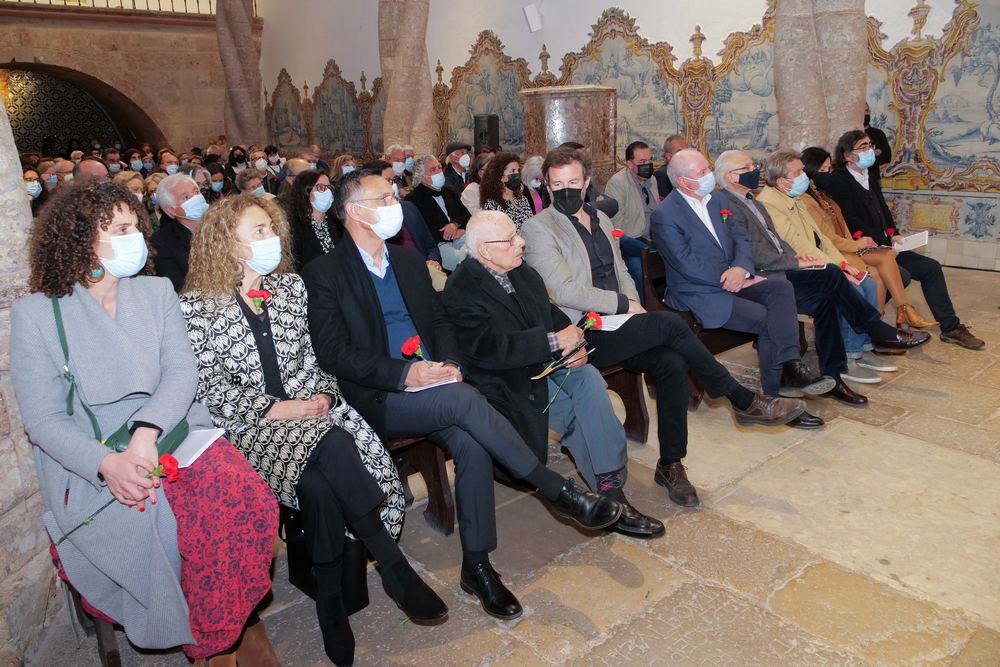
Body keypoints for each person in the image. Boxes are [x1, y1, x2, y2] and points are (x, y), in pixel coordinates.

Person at [301, 171, 624, 622]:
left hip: (439, 383)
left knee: (471, 442)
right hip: (381, 395)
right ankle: (556, 490)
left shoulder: (408, 262)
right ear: (355, 211)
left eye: (394, 195)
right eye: (385, 197)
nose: (396, 202)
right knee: (469, 401)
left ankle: (477, 566)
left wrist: (449, 363)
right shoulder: (324, 273)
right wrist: (407, 373)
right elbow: (335, 354)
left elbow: (442, 323)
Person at [9, 180, 278, 665]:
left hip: (169, 427)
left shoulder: (155, 292)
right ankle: (218, 643)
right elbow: (44, 419)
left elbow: (180, 372)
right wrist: (108, 464)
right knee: (170, 524)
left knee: (242, 499)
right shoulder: (37, 316)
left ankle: (220, 634)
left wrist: (145, 435)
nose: (138, 237)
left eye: (136, 225)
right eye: (122, 228)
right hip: (93, 456)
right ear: (82, 238)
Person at [180, 195, 446, 665]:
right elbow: (209, 389)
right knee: (333, 442)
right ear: (227, 243)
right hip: (248, 429)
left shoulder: (290, 290)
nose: (273, 238)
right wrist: (281, 410)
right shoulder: (195, 308)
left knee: (321, 482)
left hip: (312, 414)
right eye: (259, 230)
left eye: (272, 228)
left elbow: (314, 359)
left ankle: (330, 605)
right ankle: (393, 564)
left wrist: (320, 397)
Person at [521, 147, 806, 506]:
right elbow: (564, 289)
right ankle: (741, 399)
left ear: (587, 183)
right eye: (557, 183)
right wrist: (625, 304)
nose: (565, 190)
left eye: (573, 182)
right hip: (583, 331)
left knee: (671, 362)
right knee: (671, 324)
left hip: (621, 321)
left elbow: (620, 270)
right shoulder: (537, 228)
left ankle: (671, 464)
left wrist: (632, 305)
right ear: (546, 185)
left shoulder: (601, 219)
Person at [445, 211, 664, 537]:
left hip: (543, 369)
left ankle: (611, 493)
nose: (521, 242)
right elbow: (487, 348)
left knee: (588, 377)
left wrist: (572, 343)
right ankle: (611, 497)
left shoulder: (521, 272)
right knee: (578, 417)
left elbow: (553, 315)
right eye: (511, 239)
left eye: (517, 234)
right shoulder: (462, 287)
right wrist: (552, 340)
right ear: (486, 250)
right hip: (507, 386)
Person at [714, 149, 928, 399]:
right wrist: (795, 262)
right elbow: (751, 251)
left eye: (754, 165)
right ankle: (875, 329)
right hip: (766, 277)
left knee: (829, 292)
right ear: (730, 177)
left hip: (781, 268)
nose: (755, 171)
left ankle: (834, 376)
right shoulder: (726, 204)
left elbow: (781, 242)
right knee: (831, 277)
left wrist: (796, 256)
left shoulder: (754, 201)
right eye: (748, 168)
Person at [652, 149, 837, 401]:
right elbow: (686, 264)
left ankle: (791, 367)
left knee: (780, 288)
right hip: (699, 291)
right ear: (684, 181)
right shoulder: (665, 215)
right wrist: (731, 276)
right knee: (765, 317)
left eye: (708, 169)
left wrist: (741, 269)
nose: (710, 176)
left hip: (735, 277)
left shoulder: (717, 200)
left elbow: (740, 238)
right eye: (703, 172)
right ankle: (775, 393)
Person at [825, 130, 985, 350]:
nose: (870, 150)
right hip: (865, 249)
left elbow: (881, 208)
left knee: (931, 268)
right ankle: (878, 328)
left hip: (886, 244)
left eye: (870, 145)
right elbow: (850, 218)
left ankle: (951, 328)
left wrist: (894, 233)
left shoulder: (869, 175)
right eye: (863, 147)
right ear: (848, 156)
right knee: (903, 275)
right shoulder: (839, 180)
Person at [800, 146, 938, 331]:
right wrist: (856, 244)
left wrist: (861, 242)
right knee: (883, 264)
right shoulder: (806, 201)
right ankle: (895, 316)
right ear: (809, 171)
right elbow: (827, 237)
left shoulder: (823, 194)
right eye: (822, 170)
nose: (827, 174)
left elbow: (844, 227)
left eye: (829, 169)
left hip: (846, 246)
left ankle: (880, 324)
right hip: (835, 251)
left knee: (882, 270)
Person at [365, 160, 445, 277]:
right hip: (399, 274)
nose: (392, 185)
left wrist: (434, 261)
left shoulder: (408, 208)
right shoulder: (369, 218)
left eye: (394, 180)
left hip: (425, 269)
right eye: (388, 181)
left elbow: (431, 245)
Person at [604, 140, 660, 301]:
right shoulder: (618, 183)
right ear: (630, 164)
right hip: (630, 239)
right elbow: (616, 226)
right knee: (638, 266)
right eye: (642, 162)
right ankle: (643, 308)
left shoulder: (652, 180)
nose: (648, 164)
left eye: (650, 160)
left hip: (651, 238)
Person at [406, 154, 471, 270]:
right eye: (433, 170)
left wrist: (454, 224)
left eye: (439, 167)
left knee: (481, 251)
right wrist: (452, 234)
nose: (439, 171)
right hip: (437, 245)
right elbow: (422, 231)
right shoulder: (414, 199)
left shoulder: (448, 191)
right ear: (422, 178)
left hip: (460, 235)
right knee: (465, 261)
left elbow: (466, 216)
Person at [151, 173, 211, 291]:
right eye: (186, 197)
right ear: (171, 210)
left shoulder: (223, 224)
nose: (196, 198)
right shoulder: (161, 242)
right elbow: (177, 286)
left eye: (196, 192)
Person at [278, 169, 341, 271]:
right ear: (306, 191)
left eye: (329, 187)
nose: (327, 192)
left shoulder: (337, 223)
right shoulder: (293, 227)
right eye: (321, 187)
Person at [480, 152, 533, 229]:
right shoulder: (492, 203)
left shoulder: (522, 199)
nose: (517, 174)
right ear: (501, 176)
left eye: (518, 170)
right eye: (513, 171)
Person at [653, 134, 688, 199]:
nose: (685, 155)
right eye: (680, 151)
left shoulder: (690, 174)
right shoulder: (661, 175)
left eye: (686, 151)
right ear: (668, 156)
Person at [864, 101, 892, 178]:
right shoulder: (851, 135)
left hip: (873, 178)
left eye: (867, 111)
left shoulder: (878, 134)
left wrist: (875, 155)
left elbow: (887, 157)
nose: (866, 114)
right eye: (863, 112)